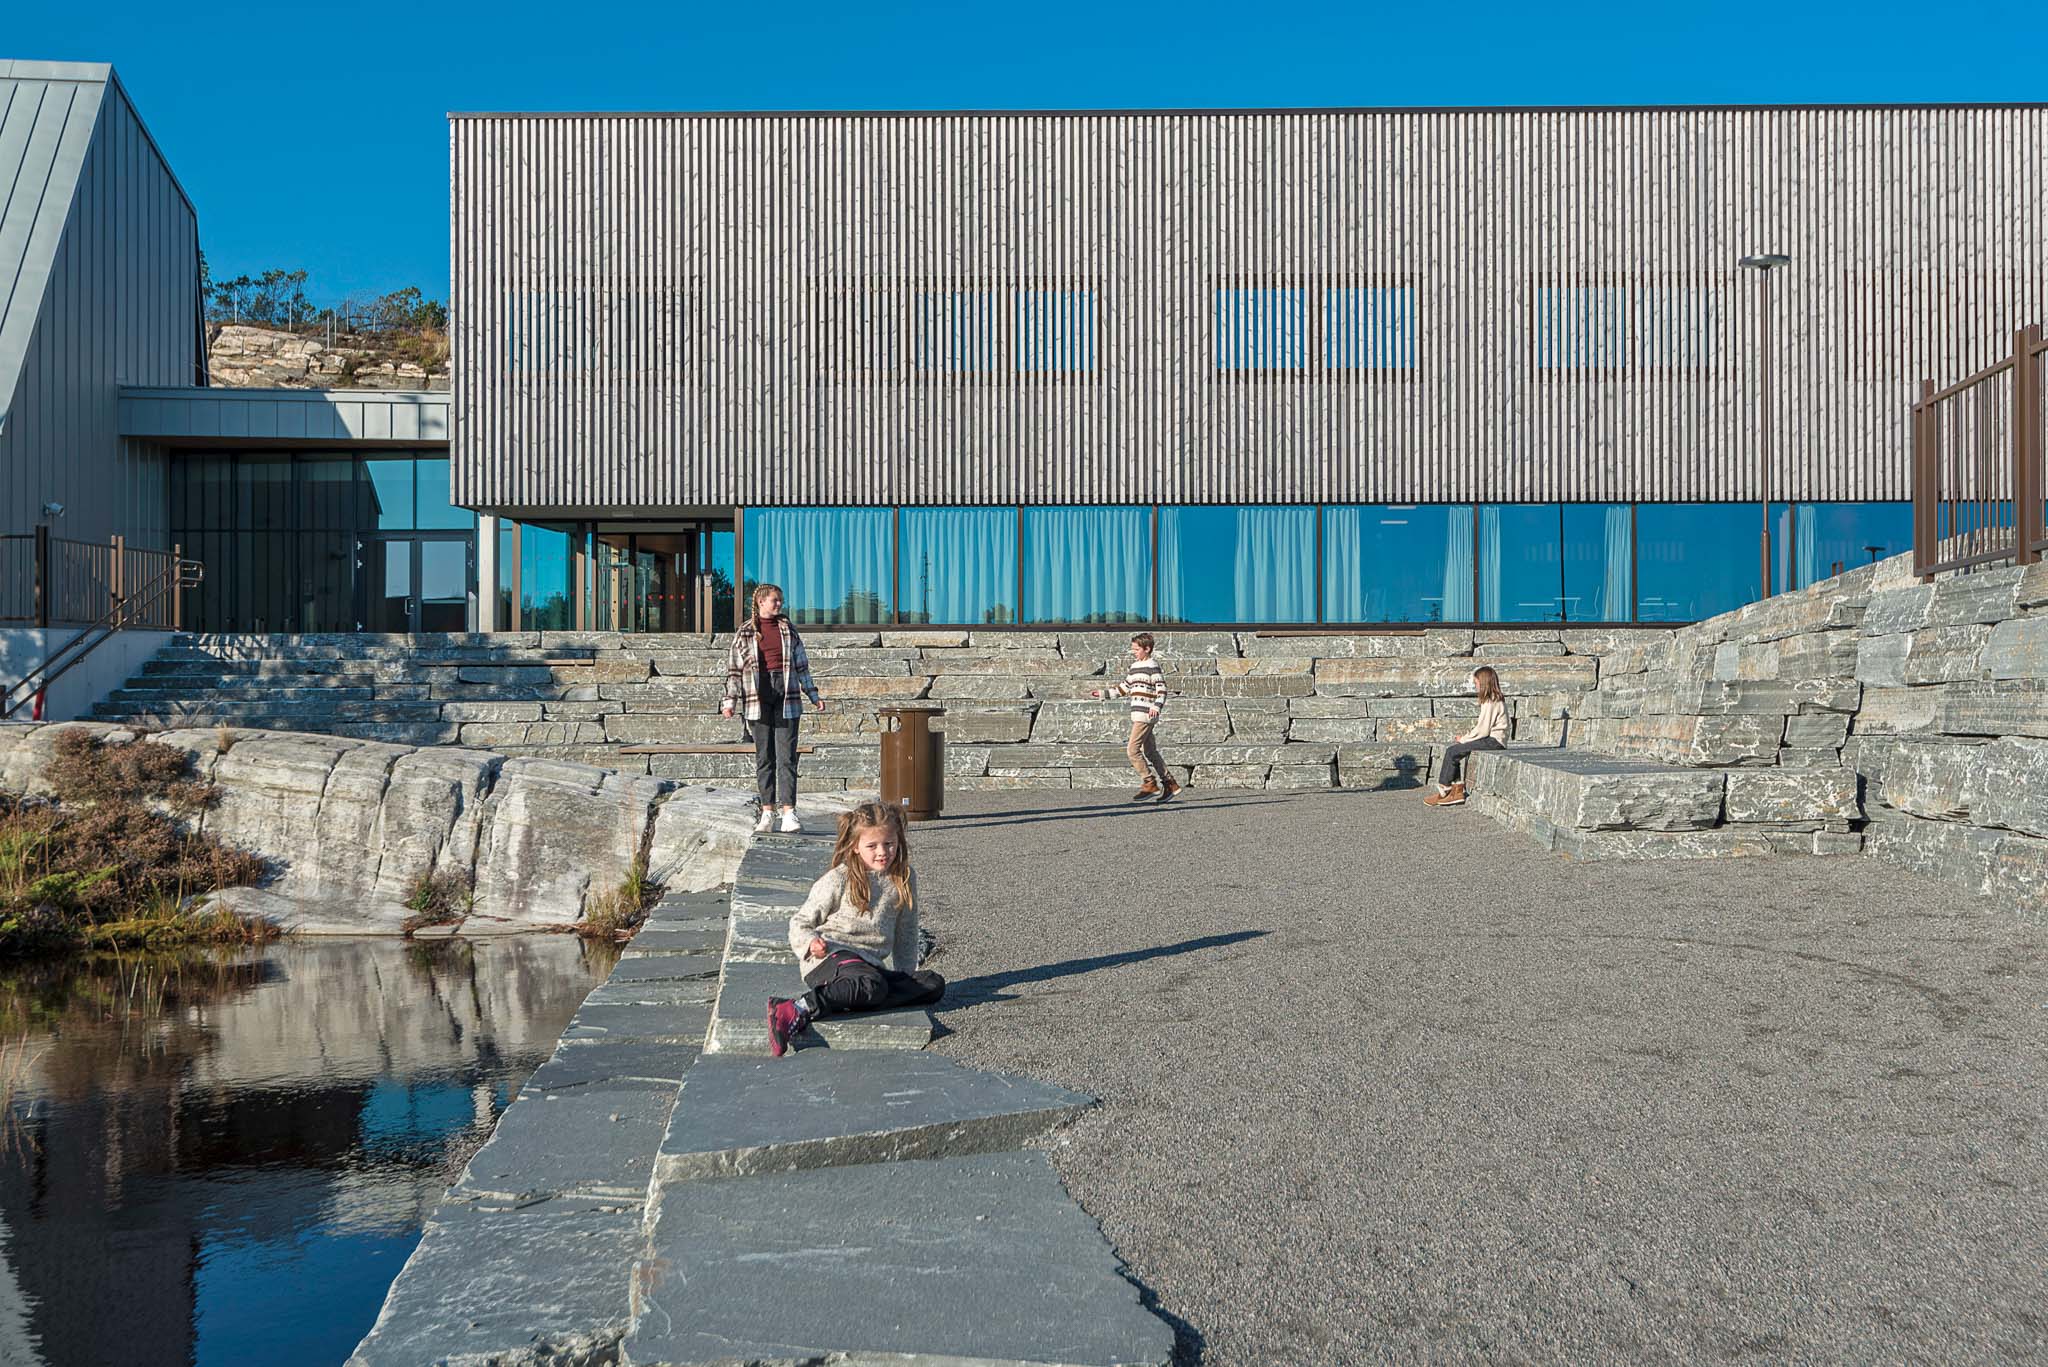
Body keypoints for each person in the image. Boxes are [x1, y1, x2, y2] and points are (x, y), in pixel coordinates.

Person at [767, 801, 945, 1057]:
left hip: (868, 966)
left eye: (889, 843)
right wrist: (810, 943)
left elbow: (906, 933)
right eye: (872, 846)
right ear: (855, 847)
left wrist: (905, 978)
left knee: (932, 984)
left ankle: (864, 994)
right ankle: (796, 1008)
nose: (882, 852)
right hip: (830, 958)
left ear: (899, 840)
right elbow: (800, 922)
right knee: (872, 985)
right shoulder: (840, 878)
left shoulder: (905, 877)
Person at [722, 583, 825, 833]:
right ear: (761, 602)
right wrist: (730, 701)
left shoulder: (788, 630)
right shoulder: (745, 632)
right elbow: (734, 670)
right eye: (774, 600)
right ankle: (767, 812)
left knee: (787, 756)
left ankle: (789, 812)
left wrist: (813, 695)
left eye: (780, 600)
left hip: (787, 695)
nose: (779, 604)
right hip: (757, 695)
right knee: (764, 756)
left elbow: (802, 665)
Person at [1091, 632, 1178, 802]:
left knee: (1132, 750)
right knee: (1150, 752)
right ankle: (1170, 784)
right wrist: (1102, 693)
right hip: (1138, 714)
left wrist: (1156, 706)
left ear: (1147, 649)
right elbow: (1123, 688)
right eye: (1133, 649)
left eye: (1137, 649)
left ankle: (1149, 783)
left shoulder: (1152, 666)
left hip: (1145, 715)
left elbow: (1162, 690)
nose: (1134, 652)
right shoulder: (1135, 667)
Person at [1425, 666, 1509, 807]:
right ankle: (1454, 791)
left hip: (1494, 741)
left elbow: (1482, 730)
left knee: (1452, 751)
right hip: (1491, 739)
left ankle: (1445, 790)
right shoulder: (1492, 700)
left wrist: (1464, 739)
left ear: (1483, 683)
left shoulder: (1491, 701)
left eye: (1476, 683)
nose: (1475, 686)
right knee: (1456, 752)